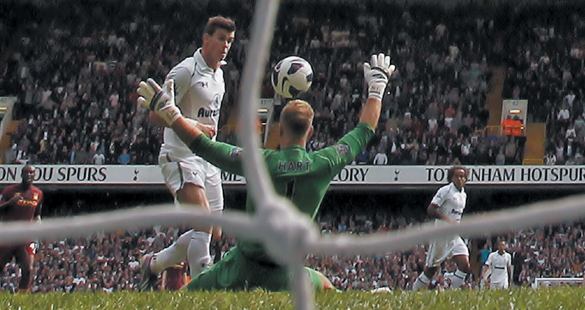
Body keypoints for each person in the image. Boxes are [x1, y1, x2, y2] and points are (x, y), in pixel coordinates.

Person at [137, 52, 395, 292]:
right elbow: (364, 130)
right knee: (326, 287)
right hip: (286, 273)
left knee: (186, 299)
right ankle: (359, 298)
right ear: (311, 132)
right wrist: (377, 88)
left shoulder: (258, 162)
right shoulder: (325, 162)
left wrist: (170, 112)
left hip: (242, 267)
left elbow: (202, 145)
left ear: (279, 132)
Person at [138, 16, 236, 291]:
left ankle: (153, 265)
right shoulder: (185, 72)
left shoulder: (219, 73)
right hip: (179, 155)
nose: (225, 45)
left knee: (213, 232)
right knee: (203, 224)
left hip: (208, 158)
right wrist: (193, 126)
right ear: (206, 39)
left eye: (229, 41)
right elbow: (156, 114)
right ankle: (203, 292)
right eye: (220, 39)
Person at [412, 166, 472, 290]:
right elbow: (431, 210)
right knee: (431, 270)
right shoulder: (445, 191)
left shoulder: (463, 194)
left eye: (463, 176)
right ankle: (414, 292)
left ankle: (453, 292)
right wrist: (448, 221)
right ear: (451, 177)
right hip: (441, 234)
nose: (460, 179)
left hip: (454, 235)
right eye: (457, 176)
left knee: (465, 265)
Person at [0, 165, 43, 292]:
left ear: (35, 175)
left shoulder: (38, 193)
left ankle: (22, 297)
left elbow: (37, 214)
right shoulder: (9, 191)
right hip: (7, 235)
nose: (29, 175)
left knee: (27, 269)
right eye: (27, 173)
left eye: (32, 173)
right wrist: (10, 202)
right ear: (21, 175)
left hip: (25, 237)